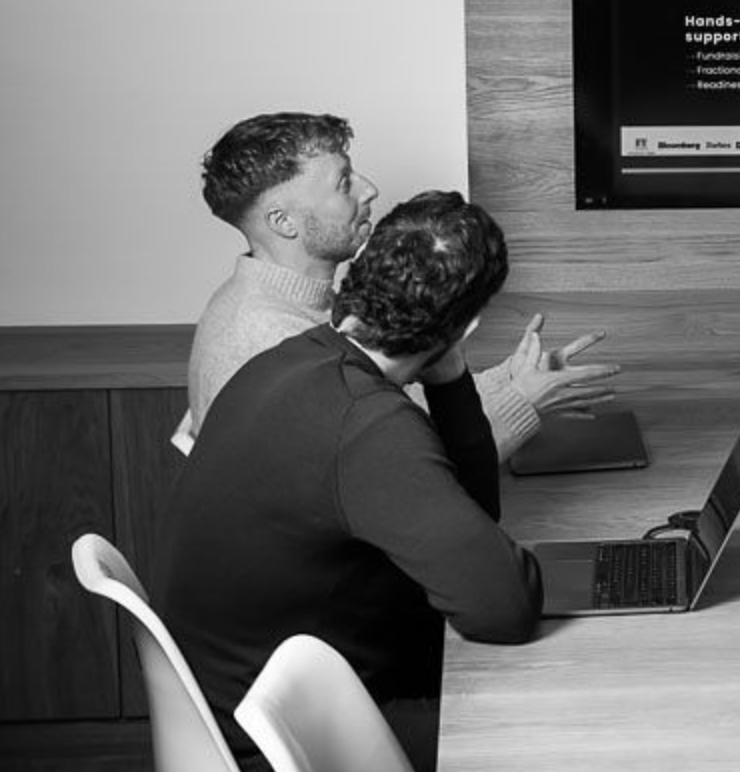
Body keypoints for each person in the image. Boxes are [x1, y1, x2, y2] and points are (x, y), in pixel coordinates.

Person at [153, 191, 545, 771]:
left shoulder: (292, 359)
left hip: (237, 710)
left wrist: (449, 372)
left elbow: (473, 510)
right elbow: (503, 609)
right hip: (295, 742)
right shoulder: (367, 426)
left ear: (363, 269)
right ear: (468, 326)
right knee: (551, 721)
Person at [183, 112, 618, 456]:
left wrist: (514, 380)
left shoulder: (296, 308)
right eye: (343, 182)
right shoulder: (270, 342)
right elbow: (405, 472)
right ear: (282, 222)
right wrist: (524, 404)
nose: (369, 189)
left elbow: (405, 410)